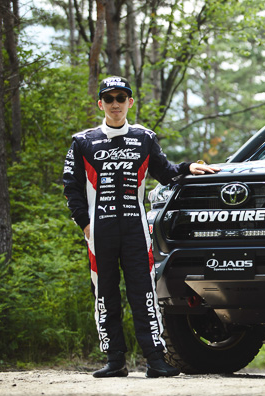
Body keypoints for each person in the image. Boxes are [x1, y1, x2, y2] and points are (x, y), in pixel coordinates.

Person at [63, 76, 220, 378]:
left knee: (143, 293)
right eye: (109, 99)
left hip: (136, 230)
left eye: (121, 98)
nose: (115, 104)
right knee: (104, 294)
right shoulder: (82, 141)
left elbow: (165, 172)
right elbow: (71, 188)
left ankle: (155, 360)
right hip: (100, 231)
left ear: (130, 102)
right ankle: (114, 361)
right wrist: (84, 223)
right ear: (101, 104)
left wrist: (188, 168)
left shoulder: (144, 137)